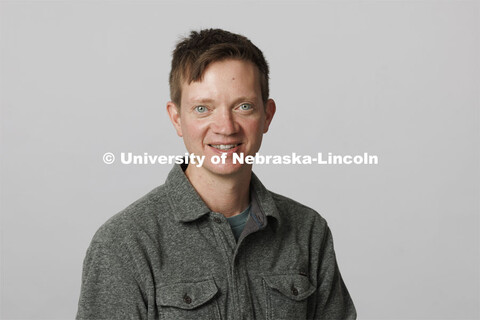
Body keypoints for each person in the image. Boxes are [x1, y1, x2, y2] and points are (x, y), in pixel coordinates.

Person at [76, 28, 356, 320]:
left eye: (243, 106)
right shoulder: (124, 243)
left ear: (267, 115)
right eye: (202, 108)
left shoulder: (309, 231)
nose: (225, 126)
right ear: (177, 119)